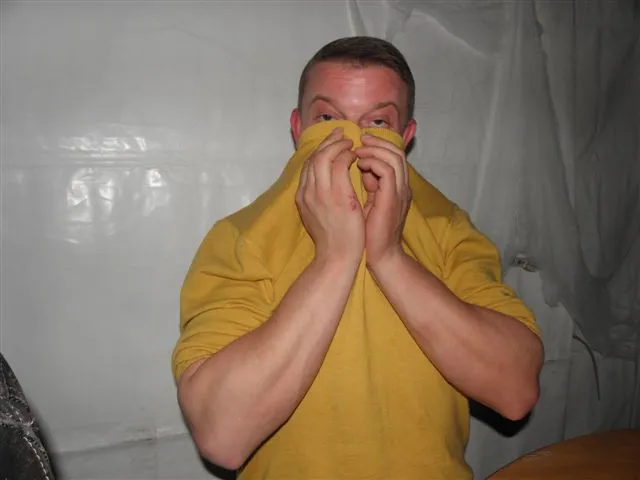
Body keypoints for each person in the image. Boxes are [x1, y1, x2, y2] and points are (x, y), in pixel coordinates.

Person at [172, 36, 544, 479]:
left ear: (405, 137)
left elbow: (515, 390)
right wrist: (335, 258)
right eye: (328, 119)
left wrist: (389, 257)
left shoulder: (447, 227)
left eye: (378, 123)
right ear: (298, 128)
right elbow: (222, 434)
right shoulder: (241, 237)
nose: (350, 140)